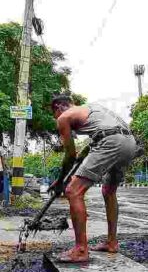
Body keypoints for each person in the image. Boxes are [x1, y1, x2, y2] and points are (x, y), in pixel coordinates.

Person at [48, 95, 137, 262]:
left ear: (59, 107)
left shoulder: (63, 117)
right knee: (109, 191)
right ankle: (111, 242)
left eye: (54, 113)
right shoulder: (93, 108)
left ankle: (81, 250)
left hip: (111, 141)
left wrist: (60, 181)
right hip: (129, 142)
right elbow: (95, 140)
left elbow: (70, 155)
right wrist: (84, 155)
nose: (56, 118)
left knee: (73, 191)